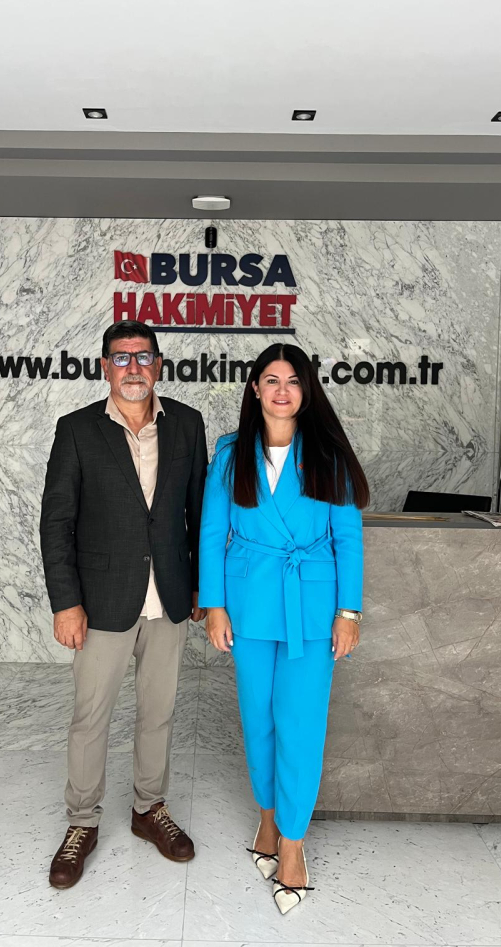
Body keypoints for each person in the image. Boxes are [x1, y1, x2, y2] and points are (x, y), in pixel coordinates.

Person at [198, 343, 369, 914]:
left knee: (301, 725)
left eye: (293, 380)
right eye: (270, 380)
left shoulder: (328, 454)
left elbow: (348, 538)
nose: (281, 390)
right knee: (259, 720)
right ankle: (267, 816)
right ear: (254, 389)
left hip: (311, 609)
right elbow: (211, 533)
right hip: (248, 604)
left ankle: (292, 843)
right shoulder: (230, 454)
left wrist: (348, 613)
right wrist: (214, 606)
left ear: (306, 390)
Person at [40, 320, 208, 890]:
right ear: (104, 367)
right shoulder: (77, 430)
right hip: (102, 601)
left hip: (170, 597)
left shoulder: (186, 423)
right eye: (121, 357)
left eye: (143, 356)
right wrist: (66, 603)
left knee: (158, 712)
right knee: (91, 716)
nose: (133, 367)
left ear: (158, 364)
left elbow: (200, 515)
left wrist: (202, 587)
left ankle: (148, 808)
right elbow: (56, 522)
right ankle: (82, 822)